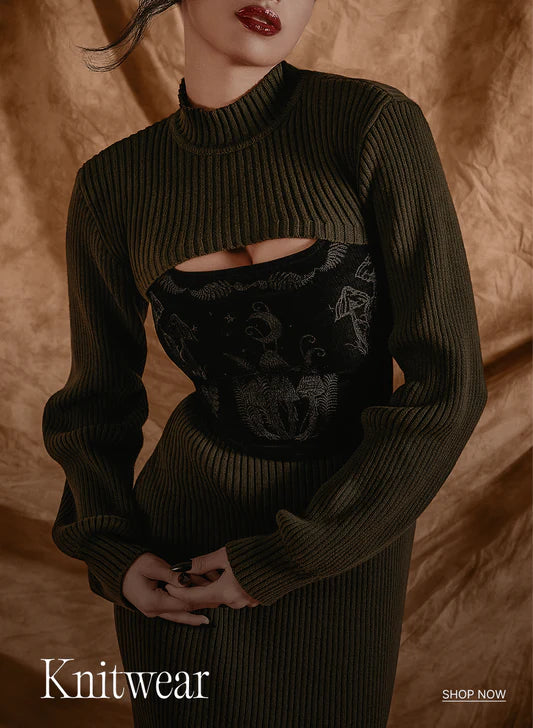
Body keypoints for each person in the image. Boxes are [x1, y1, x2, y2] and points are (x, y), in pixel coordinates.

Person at [41, 0, 488, 725]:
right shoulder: (113, 184)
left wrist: (295, 555)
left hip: (339, 550)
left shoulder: (370, 125)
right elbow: (94, 404)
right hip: (178, 563)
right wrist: (112, 551)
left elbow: (448, 386)